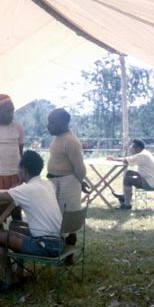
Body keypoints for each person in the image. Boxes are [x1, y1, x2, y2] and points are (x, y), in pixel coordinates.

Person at [0, 150, 63, 292]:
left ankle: (9, 282)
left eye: (19, 168)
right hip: (59, 241)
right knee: (14, 225)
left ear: (23, 170)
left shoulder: (26, 189)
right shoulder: (48, 185)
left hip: (45, 246)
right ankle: (19, 273)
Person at [47, 108, 90, 265]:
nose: (49, 126)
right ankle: (58, 251)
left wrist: (80, 181)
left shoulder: (71, 141)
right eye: (48, 122)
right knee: (55, 219)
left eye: (52, 122)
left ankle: (68, 258)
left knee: (68, 221)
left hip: (68, 183)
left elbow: (80, 168)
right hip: (54, 182)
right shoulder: (57, 138)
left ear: (64, 123)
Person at [107, 138, 154, 210]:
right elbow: (129, 159)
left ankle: (127, 205)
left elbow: (126, 160)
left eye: (132, 147)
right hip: (152, 180)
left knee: (128, 179)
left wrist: (114, 159)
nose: (130, 149)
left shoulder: (142, 155)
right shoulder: (145, 153)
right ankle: (125, 197)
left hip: (151, 183)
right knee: (129, 173)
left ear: (138, 148)